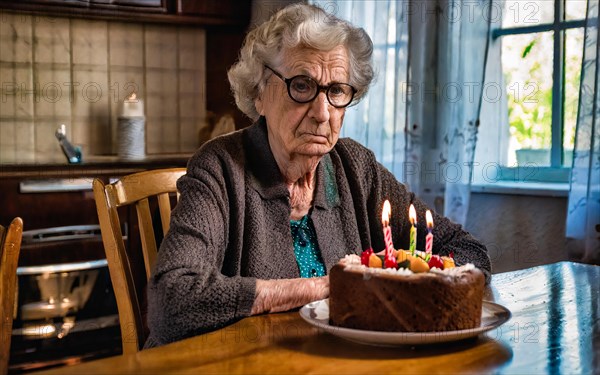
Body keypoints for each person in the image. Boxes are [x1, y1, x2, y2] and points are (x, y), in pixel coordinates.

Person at [145, 3, 491, 348]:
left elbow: (468, 250)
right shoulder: (219, 167)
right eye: (302, 85)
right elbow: (172, 302)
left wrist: (412, 284)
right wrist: (331, 286)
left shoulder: (356, 165)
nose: (322, 113)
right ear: (259, 93)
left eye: (337, 90)